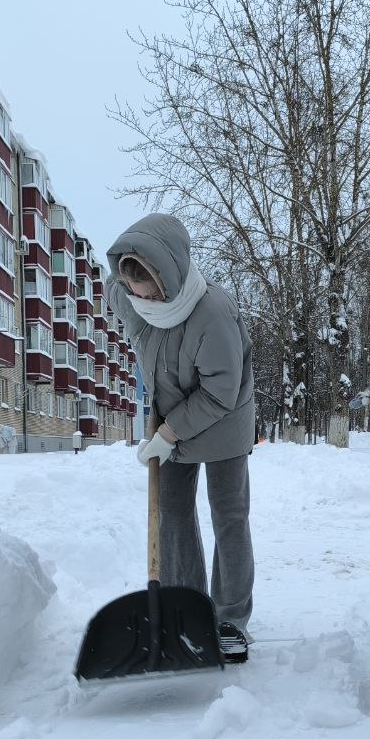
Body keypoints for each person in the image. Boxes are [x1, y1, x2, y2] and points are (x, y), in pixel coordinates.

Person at [107, 213, 256, 664]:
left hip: (222, 420)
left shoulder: (213, 313)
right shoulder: (127, 296)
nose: (138, 298)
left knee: (228, 515)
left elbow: (220, 392)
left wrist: (169, 434)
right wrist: (164, 428)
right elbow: (124, 303)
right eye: (132, 290)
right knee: (170, 513)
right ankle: (184, 606)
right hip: (170, 415)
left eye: (147, 290)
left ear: (168, 278)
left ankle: (230, 618)